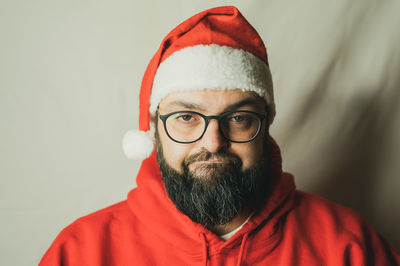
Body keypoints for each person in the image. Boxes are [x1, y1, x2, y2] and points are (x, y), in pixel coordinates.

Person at [40, 6, 400, 265]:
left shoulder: (349, 246)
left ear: (265, 124)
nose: (212, 142)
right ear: (153, 130)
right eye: (186, 117)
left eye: (239, 117)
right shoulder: (80, 251)